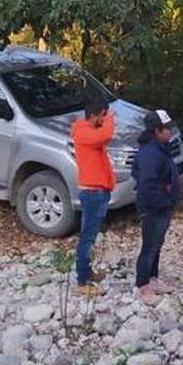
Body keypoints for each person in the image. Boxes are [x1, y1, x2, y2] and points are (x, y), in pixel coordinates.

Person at [133, 110, 181, 305]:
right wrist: (164, 198)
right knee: (149, 247)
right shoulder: (150, 152)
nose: (170, 131)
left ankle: (153, 279)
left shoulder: (160, 147)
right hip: (154, 207)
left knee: (157, 244)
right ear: (157, 130)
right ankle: (142, 285)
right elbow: (145, 181)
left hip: (162, 205)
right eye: (167, 128)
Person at [72, 98, 116, 297]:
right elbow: (106, 134)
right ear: (94, 116)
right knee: (87, 238)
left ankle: (87, 273)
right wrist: (110, 119)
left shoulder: (89, 132)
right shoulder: (83, 132)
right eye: (103, 115)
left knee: (90, 236)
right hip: (92, 192)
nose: (105, 119)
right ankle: (82, 280)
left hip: (98, 191)